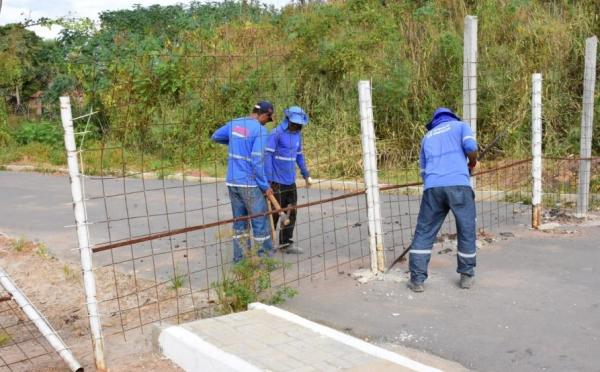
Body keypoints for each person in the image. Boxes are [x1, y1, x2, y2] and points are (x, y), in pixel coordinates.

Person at [407, 107, 478, 292]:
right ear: (451, 117)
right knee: (466, 228)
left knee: (424, 231)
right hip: (459, 186)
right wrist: (472, 163)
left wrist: (435, 183)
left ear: (435, 121)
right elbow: (471, 147)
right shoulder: (461, 126)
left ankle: (417, 279)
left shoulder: (427, 137)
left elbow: (423, 171)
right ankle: (466, 276)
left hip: (432, 188)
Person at [211, 101, 275, 263]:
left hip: (232, 182)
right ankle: (265, 260)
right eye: (268, 119)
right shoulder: (260, 131)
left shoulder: (235, 123)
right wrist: (265, 186)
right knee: (260, 221)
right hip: (249, 183)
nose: (267, 122)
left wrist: (234, 143)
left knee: (240, 222)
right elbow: (257, 160)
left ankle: (241, 260)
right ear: (264, 115)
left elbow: (216, 136)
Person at [265, 106, 313, 254]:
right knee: (273, 214)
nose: (298, 126)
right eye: (295, 124)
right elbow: (267, 157)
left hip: (290, 181)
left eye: (300, 125)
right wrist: (268, 180)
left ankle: (286, 243)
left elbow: (299, 156)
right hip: (276, 182)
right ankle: (267, 245)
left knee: (291, 212)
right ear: (287, 121)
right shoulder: (276, 134)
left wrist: (305, 173)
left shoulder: (298, 135)